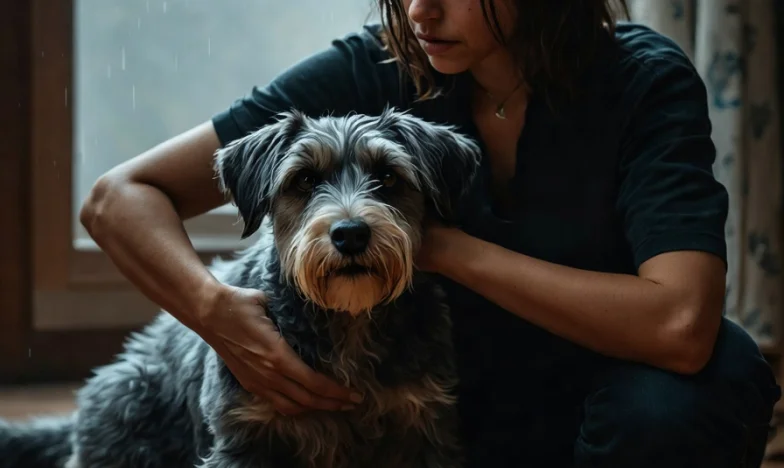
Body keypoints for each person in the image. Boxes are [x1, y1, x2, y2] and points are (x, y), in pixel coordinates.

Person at [80, 0, 781, 466]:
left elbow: (682, 323)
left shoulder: (644, 83)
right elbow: (120, 199)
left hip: (589, 389)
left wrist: (445, 249)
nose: (420, 9)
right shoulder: (379, 64)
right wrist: (217, 315)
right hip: (451, 396)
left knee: (708, 384)